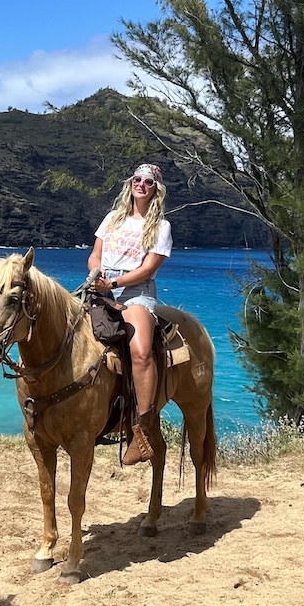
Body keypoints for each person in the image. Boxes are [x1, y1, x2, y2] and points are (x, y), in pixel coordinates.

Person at [87, 162, 173, 465]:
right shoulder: (113, 218)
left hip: (136, 292)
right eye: (137, 179)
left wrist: (114, 283)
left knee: (141, 352)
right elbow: (95, 253)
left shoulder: (161, 226)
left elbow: (148, 269)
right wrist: (97, 274)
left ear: (156, 189)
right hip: (102, 286)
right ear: (130, 183)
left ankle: (143, 429)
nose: (141, 185)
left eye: (148, 182)